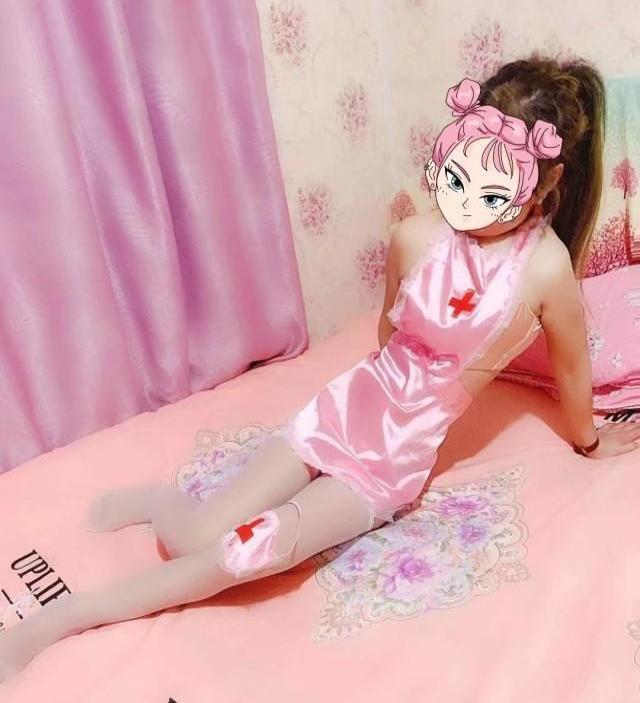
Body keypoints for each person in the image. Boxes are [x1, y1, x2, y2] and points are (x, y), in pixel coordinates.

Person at [1, 55, 639, 683]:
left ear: (548, 183)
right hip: (338, 412)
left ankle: (63, 619)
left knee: (240, 554)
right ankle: (159, 503)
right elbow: (387, 335)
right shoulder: (414, 235)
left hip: (388, 466)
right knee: (194, 536)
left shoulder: (547, 271)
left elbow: (571, 368)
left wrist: (588, 440)